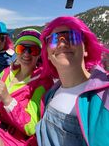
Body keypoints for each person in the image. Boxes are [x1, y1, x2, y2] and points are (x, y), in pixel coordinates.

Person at [35, 16, 109, 146]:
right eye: (54, 40)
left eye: (72, 37)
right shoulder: (50, 93)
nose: (62, 44)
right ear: (47, 54)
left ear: (86, 49)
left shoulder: (104, 97)